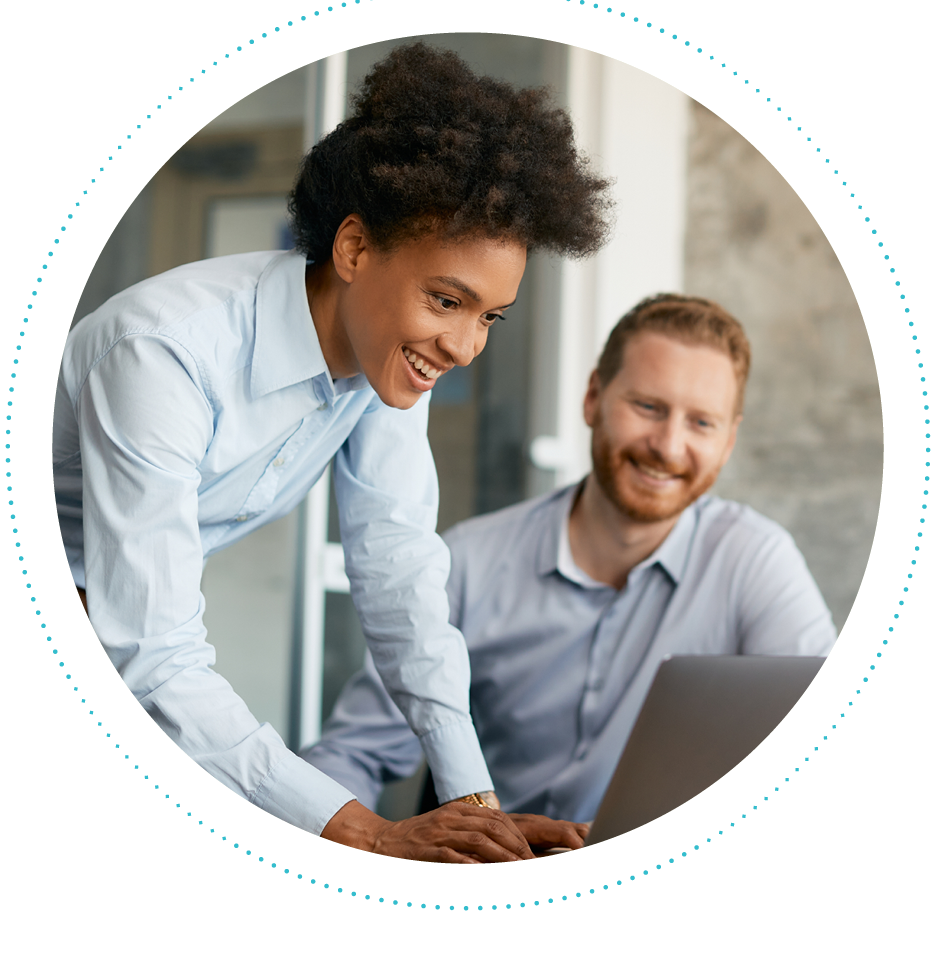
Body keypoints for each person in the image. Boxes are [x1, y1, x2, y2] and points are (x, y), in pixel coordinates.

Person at [52, 43, 611, 862]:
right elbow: (158, 651)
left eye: (490, 316)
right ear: (354, 249)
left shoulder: (382, 366)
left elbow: (399, 581)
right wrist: (365, 830)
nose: (463, 345)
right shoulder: (164, 354)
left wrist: (474, 806)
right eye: (446, 299)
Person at [303, 294, 838, 824]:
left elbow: (828, 751)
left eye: (701, 423)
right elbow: (351, 754)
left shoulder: (756, 562)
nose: (669, 447)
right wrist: (357, 846)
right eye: (648, 407)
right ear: (592, 398)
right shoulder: (471, 561)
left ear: (729, 441)